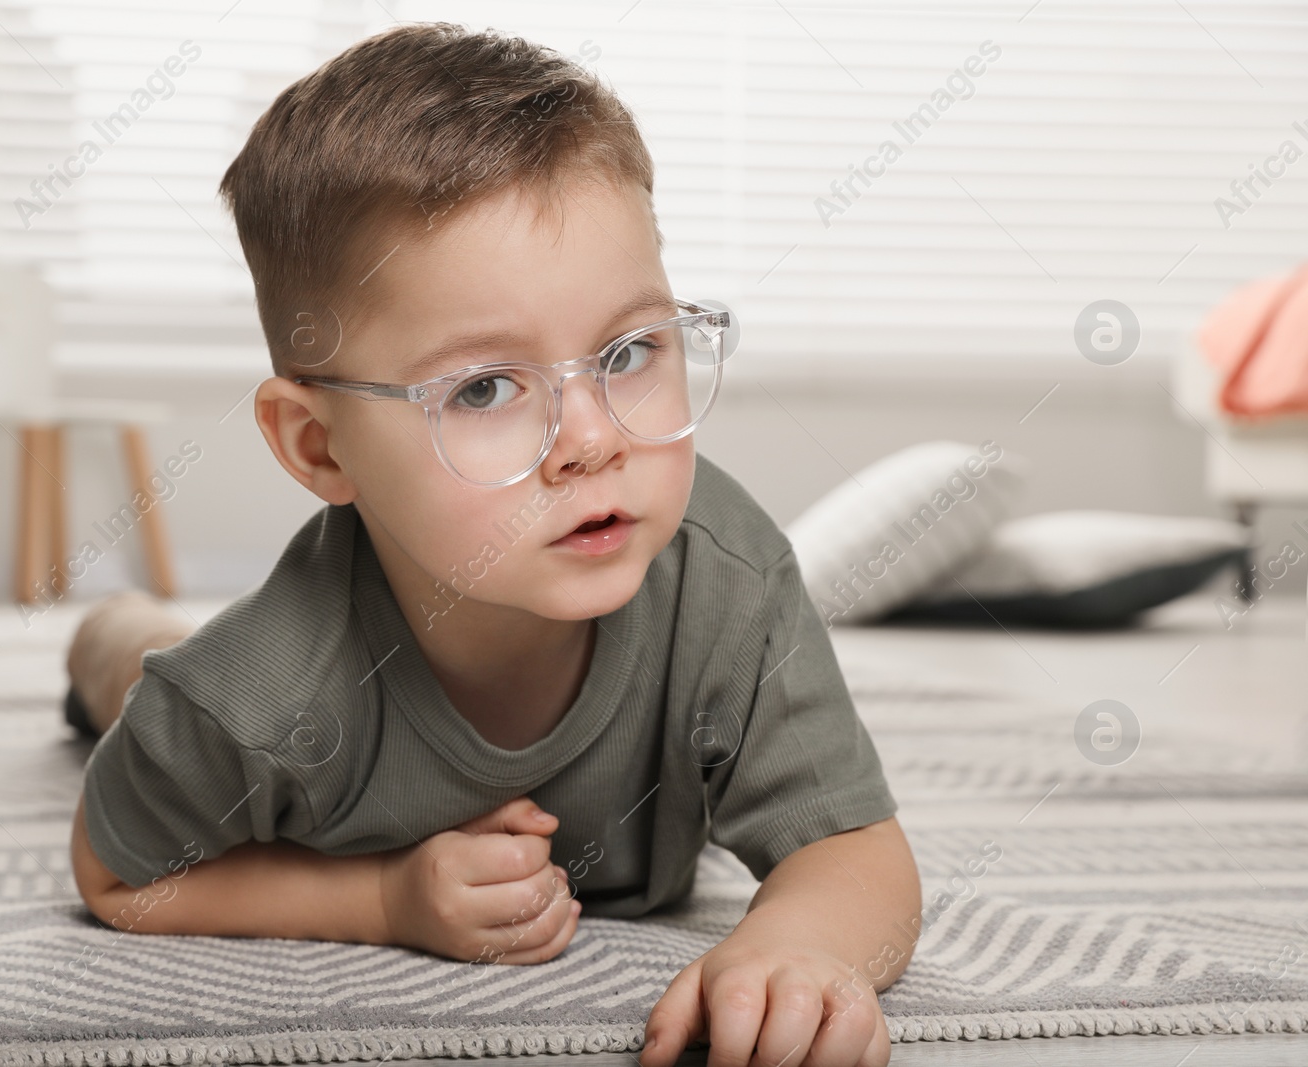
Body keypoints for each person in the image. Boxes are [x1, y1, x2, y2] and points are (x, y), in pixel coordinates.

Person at [66, 22, 920, 1067]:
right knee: (135, 659)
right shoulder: (252, 691)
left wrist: (796, 945)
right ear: (318, 445)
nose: (594, 438)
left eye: (628, 350)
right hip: (217, 696)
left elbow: (853, 845)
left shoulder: (722, 576)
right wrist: (380, 897)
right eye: (482, 388)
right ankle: (110, 639)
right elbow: (119, 873)